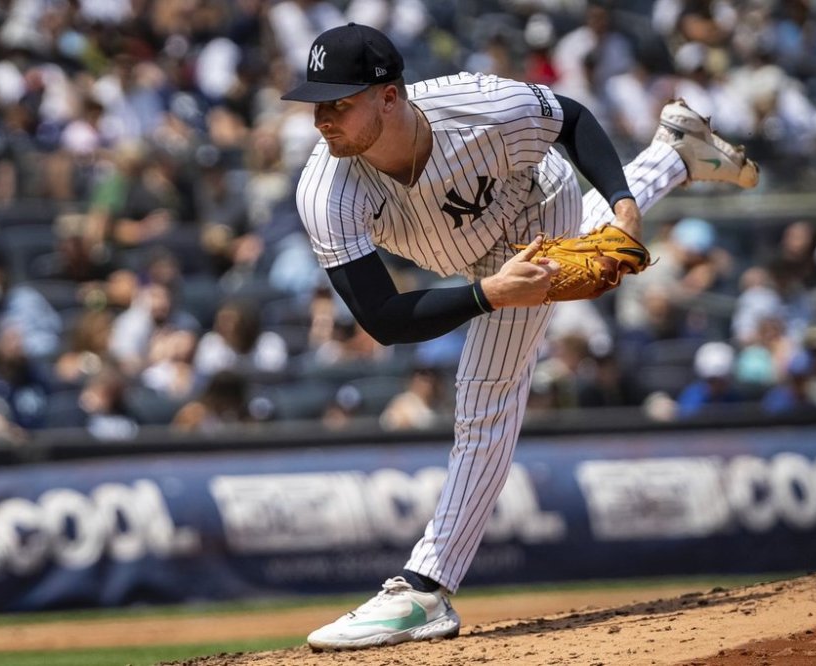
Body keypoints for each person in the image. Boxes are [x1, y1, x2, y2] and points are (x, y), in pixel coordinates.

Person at [280, 22, 759, 651]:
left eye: (339, 102)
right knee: (508, 308)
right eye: (316, 103)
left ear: (390, 96)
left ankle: (426, 588)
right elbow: (383, 318)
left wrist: (620, 200)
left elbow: (573, 119)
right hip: (473, 258)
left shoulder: (475, 104)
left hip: (538, 203)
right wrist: (489, 292)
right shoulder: (325, 190)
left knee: (485, 396)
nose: (323, 119)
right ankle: (673, 154)